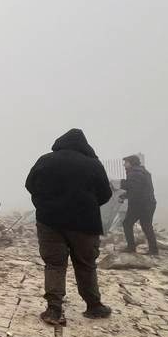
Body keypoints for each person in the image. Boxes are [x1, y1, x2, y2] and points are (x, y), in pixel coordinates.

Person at [25, 129, 114, 325]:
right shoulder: (93, 164)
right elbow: (106, 194)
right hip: (85, 223)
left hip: (50, 222)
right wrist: (87, 205)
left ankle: (53, 310)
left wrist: (44, 203)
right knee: (86, 264)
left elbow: (30, 184)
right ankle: (94, 306)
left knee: (54, 264)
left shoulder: (46, 160)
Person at [120, 155, 159, 255]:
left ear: (131, 163)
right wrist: (125, 194)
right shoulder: (143, 172)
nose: (124, 164)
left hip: (140, 204)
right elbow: (138, 188)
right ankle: (154, 250)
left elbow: (134, 189)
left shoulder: (134, 173)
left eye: (126, 162)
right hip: (149, 203)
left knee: (127, 223)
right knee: (146, 226)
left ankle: (131, 247)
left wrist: (122, 185)